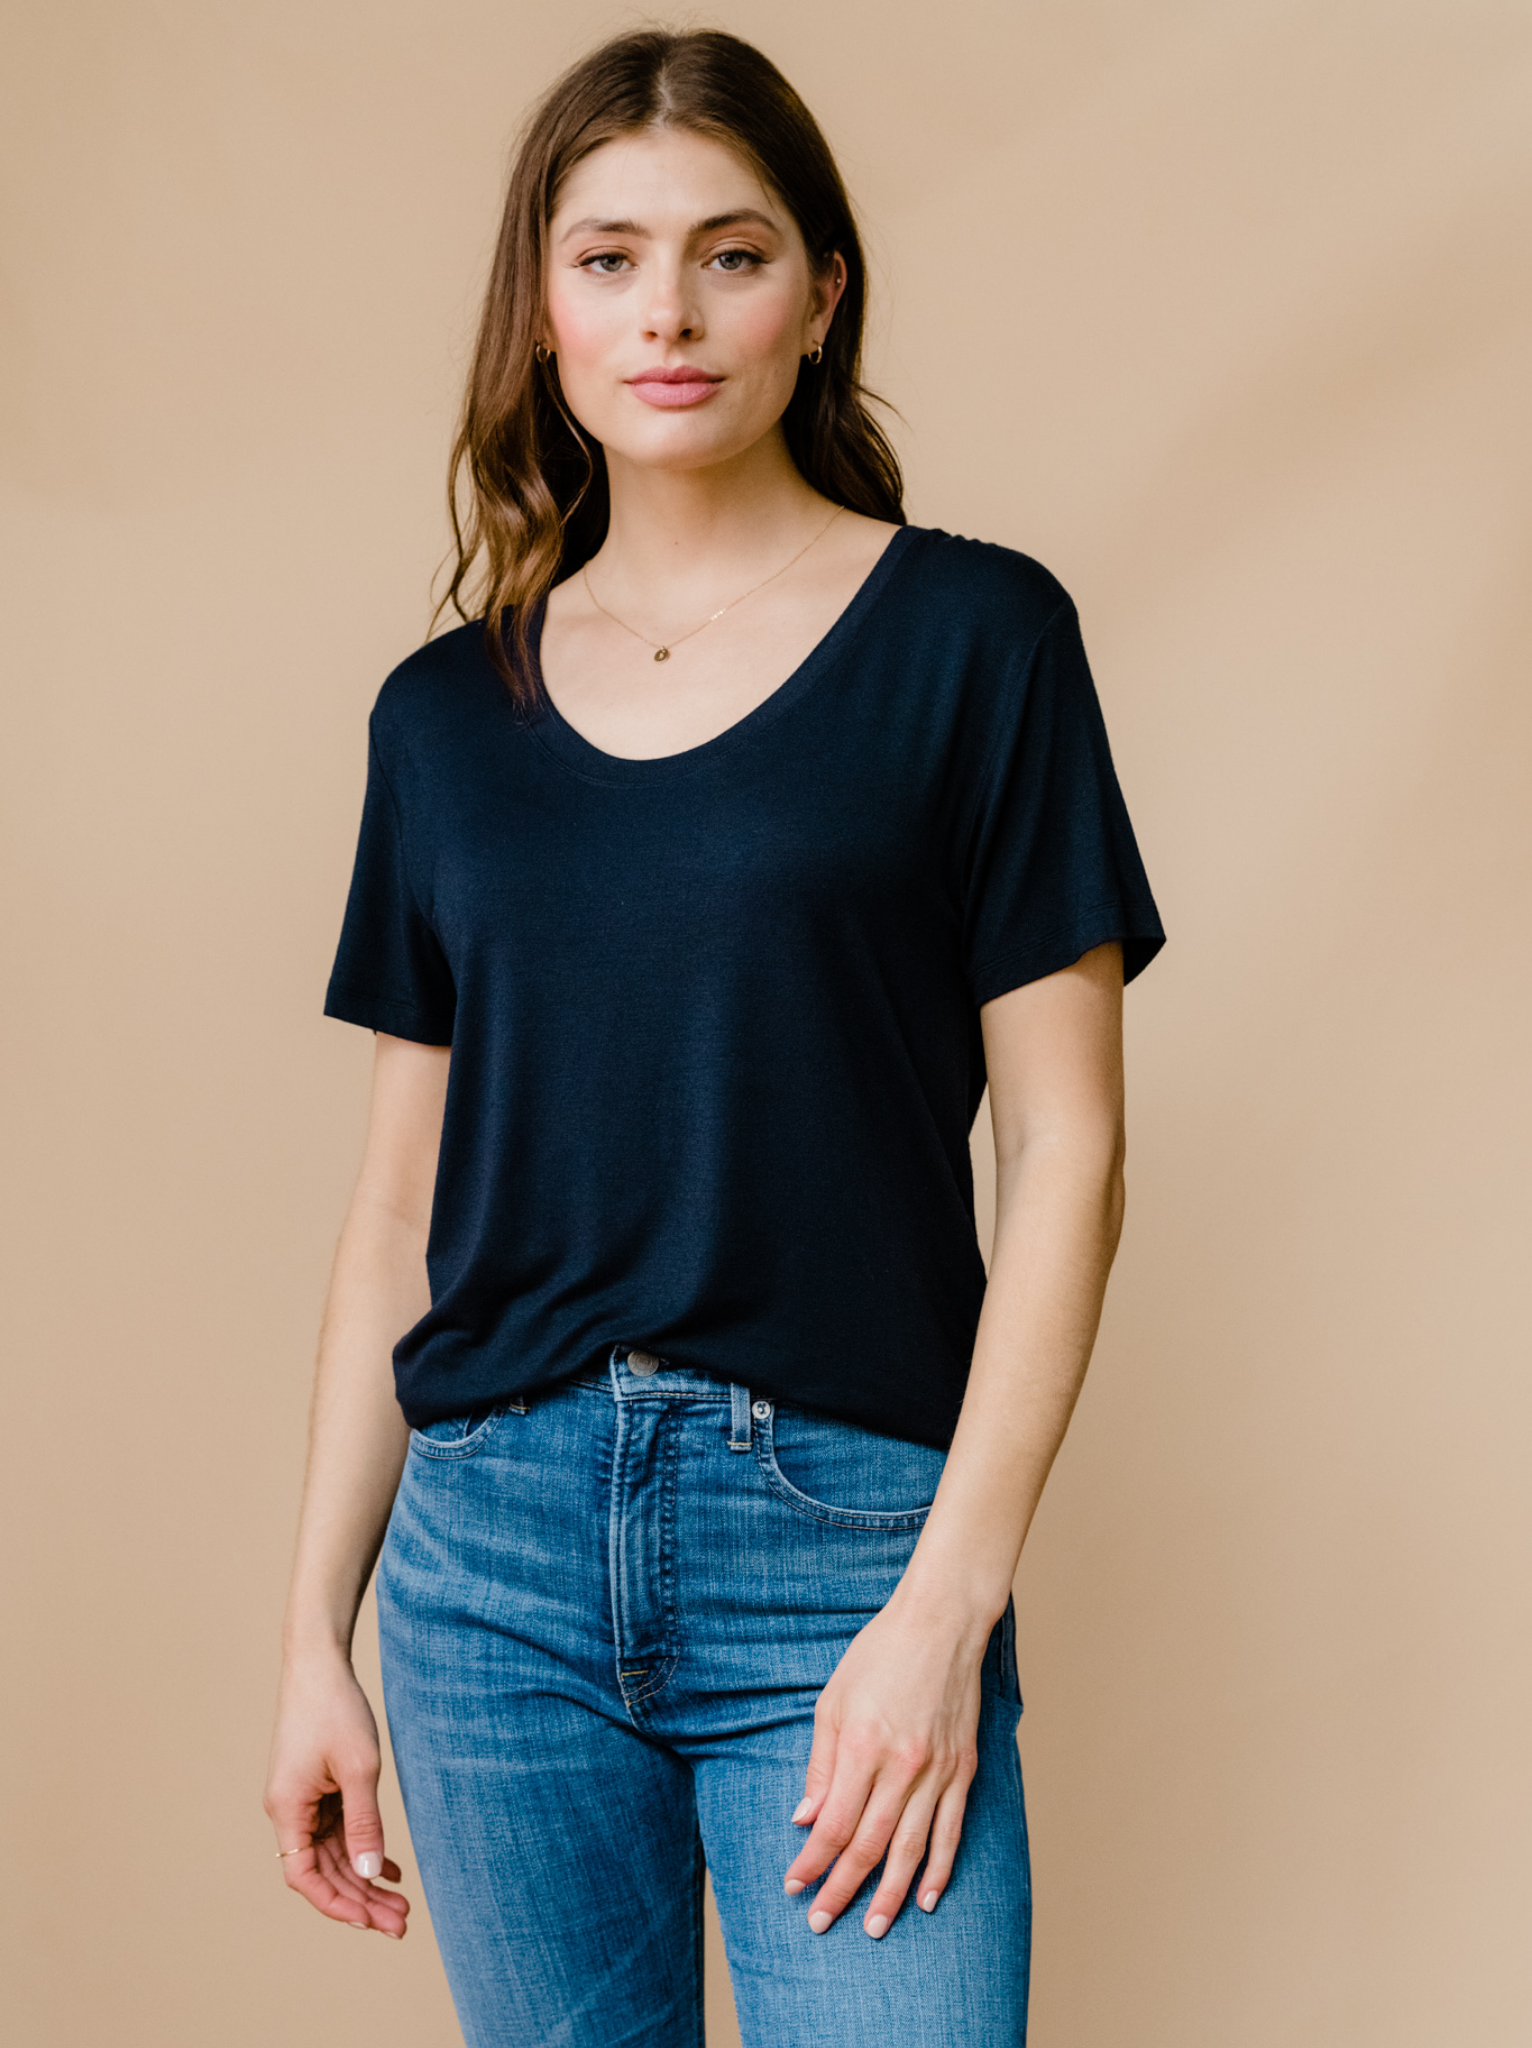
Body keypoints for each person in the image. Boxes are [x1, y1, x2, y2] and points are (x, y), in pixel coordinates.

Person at [263, 26, 1164, 2048]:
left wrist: (946, 1606)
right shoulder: (441, 720)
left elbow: (1070, 1155)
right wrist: (316, 1627)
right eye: (607, 260)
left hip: (844, 1544)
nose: (665, 312)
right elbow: (397, 1211)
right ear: (544, 311)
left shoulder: (977, 643)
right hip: (486, 1572)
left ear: (821, 294)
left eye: (729, 254)